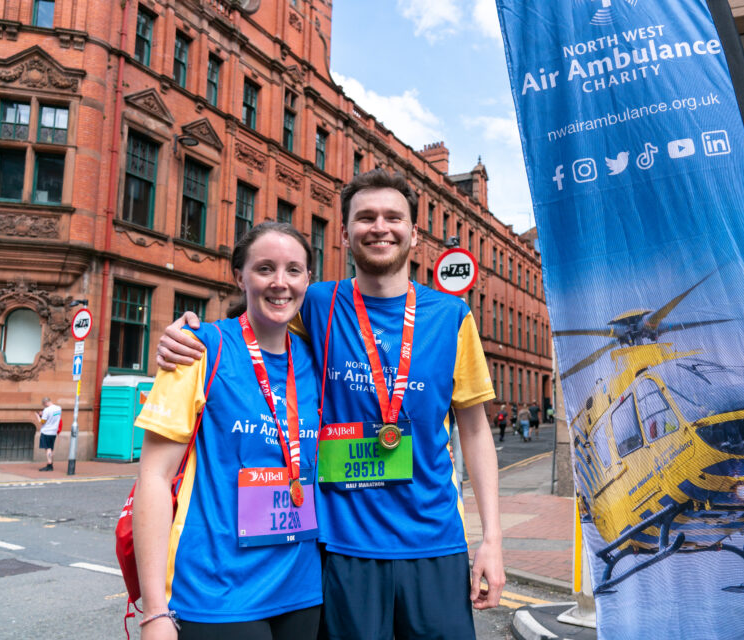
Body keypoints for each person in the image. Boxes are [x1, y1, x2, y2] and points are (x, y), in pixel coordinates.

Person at [155, 170, 504, 640]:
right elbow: (261, 316)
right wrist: (186, 332)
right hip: (342, 548)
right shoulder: (317, 304)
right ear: (344, 233)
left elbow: (476, 430)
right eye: (365, 217)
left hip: (434, 540)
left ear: (414, 234)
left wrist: (493, 540)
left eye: (393, 217)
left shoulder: (452, 317)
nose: (379, 227)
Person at [134, 222, 322, 639]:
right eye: (265, 268)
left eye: (294, 270)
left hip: (303, 591)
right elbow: (153, 476)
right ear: (240, 277)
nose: (280, 283)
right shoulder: (200, 348)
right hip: (216, 593)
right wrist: (154, 611)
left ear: (309, 278)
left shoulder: (316, 358)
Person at [35, 397, 62, 471]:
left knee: (48, 449)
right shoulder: (58, 408)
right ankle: (51, 464)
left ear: (45, 403)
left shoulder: (46, 410)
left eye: (44, 405)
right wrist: (43, 413)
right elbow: (54, 417)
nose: (44, 406)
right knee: (51, 448)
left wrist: (38, 416)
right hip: (54, 432)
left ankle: (49, 465)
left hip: (46, 431)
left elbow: (42, 422)